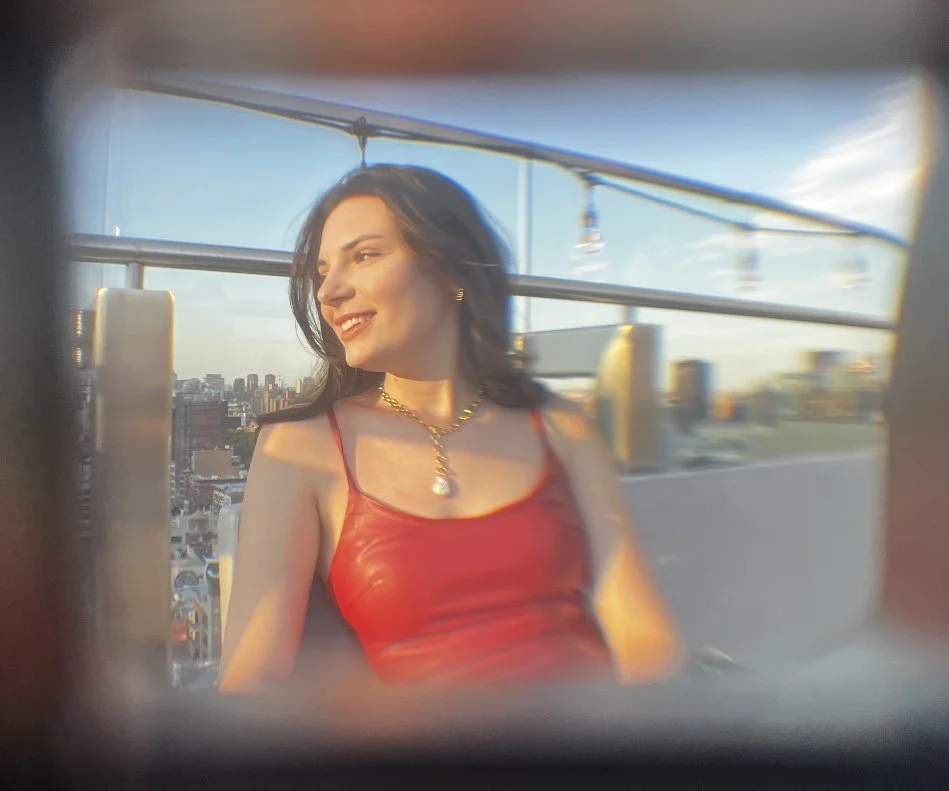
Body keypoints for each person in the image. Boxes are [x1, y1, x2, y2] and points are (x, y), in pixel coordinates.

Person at [218, 165, 681, 693]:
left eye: (364, 256)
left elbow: (646, 641)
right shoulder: (301, 448)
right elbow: (252, 681)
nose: (328, 291)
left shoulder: (560, 427)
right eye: (322, 271)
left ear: (449, 271)